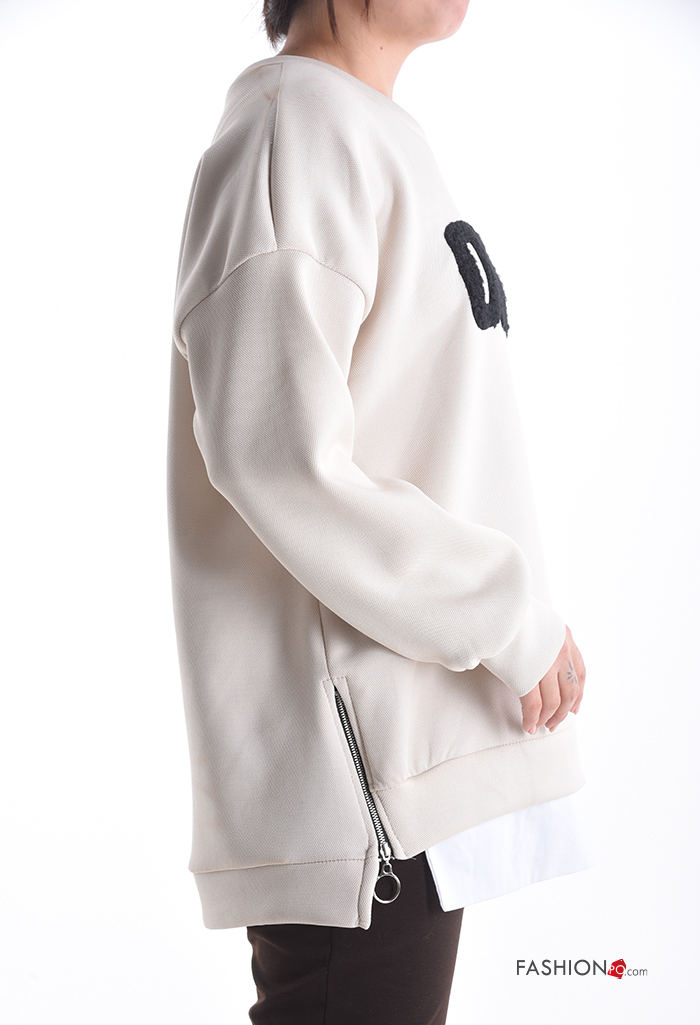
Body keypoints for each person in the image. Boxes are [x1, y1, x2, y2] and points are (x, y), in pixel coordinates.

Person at [166, 0, 589, 1021]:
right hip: (365, 787)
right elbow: (276, 456)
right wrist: (505, 616)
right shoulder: (295, 129)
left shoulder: (354, 128)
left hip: (403, 765)